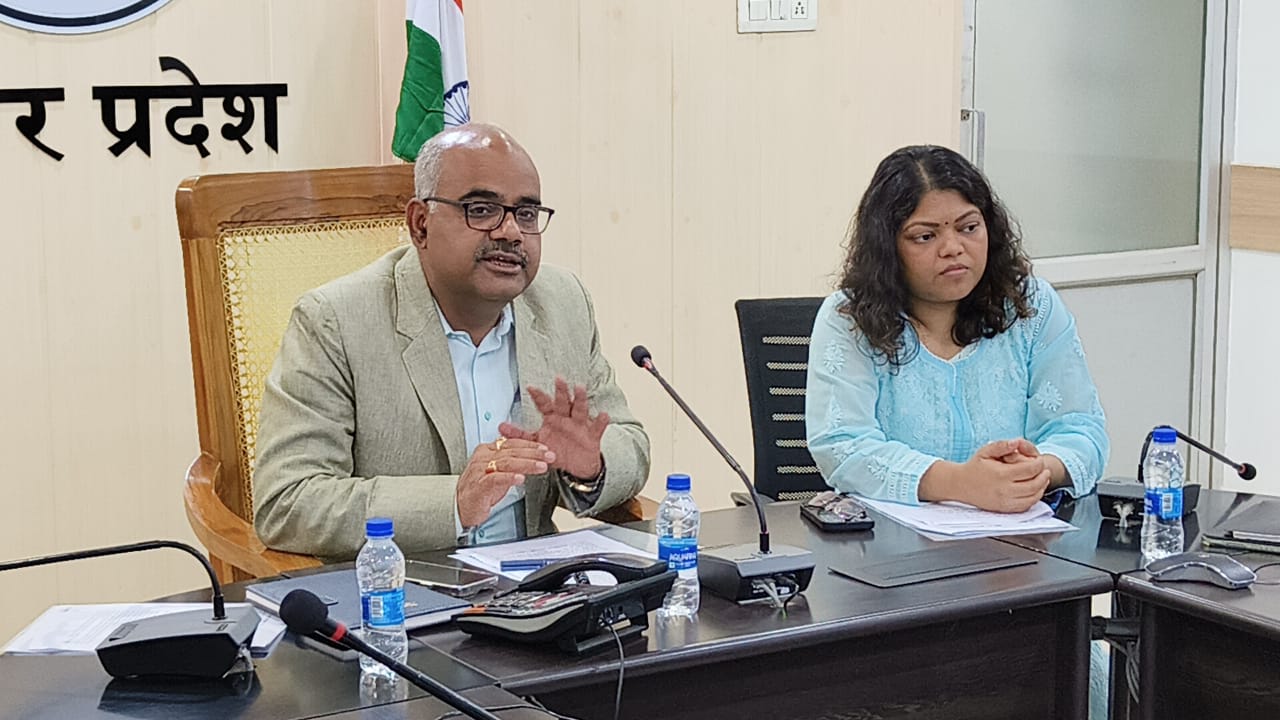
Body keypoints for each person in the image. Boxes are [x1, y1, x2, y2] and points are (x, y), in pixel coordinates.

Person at [253, 123, 650, 559]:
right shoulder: (335, 321)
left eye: (526, 214)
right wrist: (454, 503)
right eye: (481, 210)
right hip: (401, 588)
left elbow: (628, 440)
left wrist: (590, 467)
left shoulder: (563, 303)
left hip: (538, 585)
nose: (510, 232)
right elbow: (288, 501)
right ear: (420, 225)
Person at [805, 145, 1108, 513]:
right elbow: (842, 445)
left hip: (1019, 536)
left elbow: (1081, 429)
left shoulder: (1030, 305)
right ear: (887, 247)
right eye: (925, 236)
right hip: (888, 542)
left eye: (968, 228)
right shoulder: (850, 317)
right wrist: (961, 484)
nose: (953, 248)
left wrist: (1033, 471)